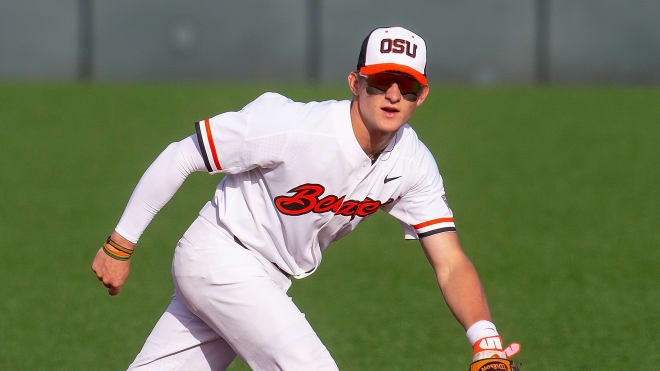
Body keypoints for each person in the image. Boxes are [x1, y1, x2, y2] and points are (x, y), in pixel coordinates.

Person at [92, 26, 517, 370]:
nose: (392, 95)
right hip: (221, 257)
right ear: (355, 83)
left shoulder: (412, 162)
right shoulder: (292, 126)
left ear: (420, 96)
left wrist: (486, 341)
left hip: (266, 280)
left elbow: (450, 261)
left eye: (406, 86)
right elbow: (184, 154)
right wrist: (120, 243)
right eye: (381, 81)